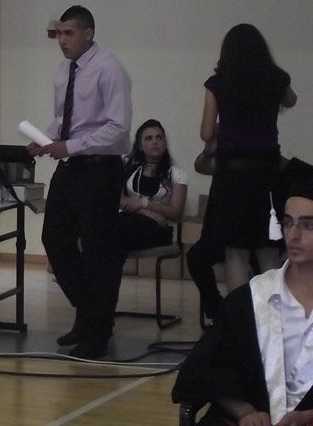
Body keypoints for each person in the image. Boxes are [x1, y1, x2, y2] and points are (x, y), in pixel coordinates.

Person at [173, 166, 313, 426]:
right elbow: (202, 369)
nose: (293, 235)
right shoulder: (250, 300)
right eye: (288, 222)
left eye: (308, 225)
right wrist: (245, 411)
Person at [29, 5, 132, 359]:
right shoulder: (64, 71)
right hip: (70, 166)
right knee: (54, 238)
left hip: (100, 169)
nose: (62, 40)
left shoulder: (109, 68)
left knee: (97, 250)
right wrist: (43, 140)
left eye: (69, 33)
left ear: (88, 33)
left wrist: (68, 146)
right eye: (59, 33)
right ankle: (90, 313)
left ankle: (96, 330)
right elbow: (63, 119)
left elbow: (118, 128)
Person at [199, 23, 296, 300]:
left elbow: (206, 133)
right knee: (269, 250)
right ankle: (272, 317)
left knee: (236, 253)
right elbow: (291, 100)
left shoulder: (218, 83)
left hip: (232, 177)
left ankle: (240, 318)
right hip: (267, 175)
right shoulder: (276, 79)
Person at [108, 120, 187, 323]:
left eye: (159, 138)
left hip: (158, 230)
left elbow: (175, 212)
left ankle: (102, 308)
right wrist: (148, 210)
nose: (155, 142)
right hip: (128, 224)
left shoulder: (177, 174)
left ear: (165, 143)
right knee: (114, 240)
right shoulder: (127, 168)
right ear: (140, 145)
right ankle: (103, 307)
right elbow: (115, 199)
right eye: (149, 138)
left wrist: (140, 204)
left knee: (113, 239)